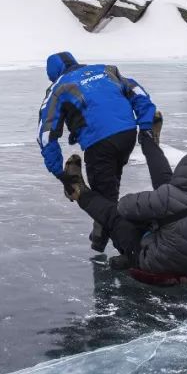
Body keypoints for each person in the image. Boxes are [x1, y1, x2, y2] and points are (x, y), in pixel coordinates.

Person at [61, 114, 187, 282]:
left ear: (184, 170)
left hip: (150, 267)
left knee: (115, 216)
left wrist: (153, 207)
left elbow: (125, 207)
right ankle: (149, 142)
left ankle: (78, 191)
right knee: (168, 190)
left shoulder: (166, 197)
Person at [38, 51, 156, 253]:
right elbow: (138, 93)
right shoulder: (107, 70)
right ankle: (99, 238)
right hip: (127, 135)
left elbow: (46, 133)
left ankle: (129, 250)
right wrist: (145, 124)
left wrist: (60, 173)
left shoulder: (59, 87)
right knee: (108, 190)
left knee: (103, 200)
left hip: (99, 142)